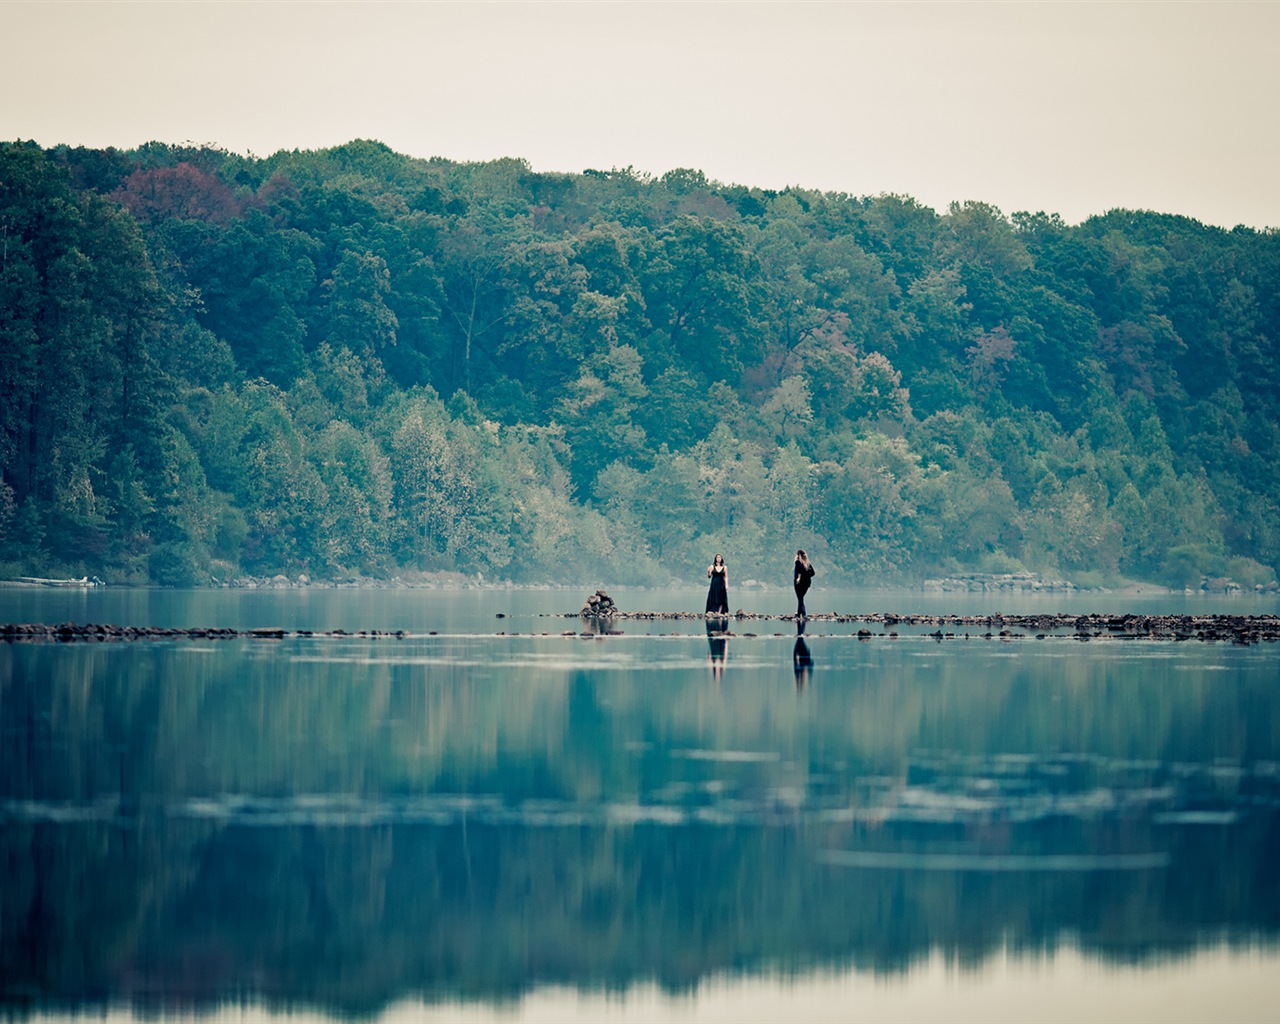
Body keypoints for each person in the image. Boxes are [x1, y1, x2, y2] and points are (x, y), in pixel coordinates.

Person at [793, 549, 815, 617]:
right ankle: (799, 613)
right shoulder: (808, 564)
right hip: (807, 583)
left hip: (799, 583)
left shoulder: (798, 562)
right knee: (801, 598)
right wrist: (807, 575)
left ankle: (803, 613)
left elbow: (799, 570)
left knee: (800, 598)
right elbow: (813, 573)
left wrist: (799, 578)